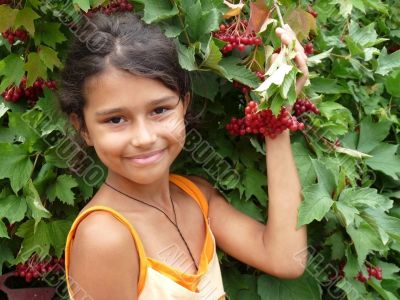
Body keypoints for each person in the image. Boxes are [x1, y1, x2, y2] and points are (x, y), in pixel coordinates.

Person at [60, 12, 308, 300]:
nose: (144, 138)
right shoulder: (104, 237)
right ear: (83, 129)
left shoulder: (195, 196)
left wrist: (277, 117)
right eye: (116, 120)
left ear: (184, 106)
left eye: (159, 110)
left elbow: (285, 258)